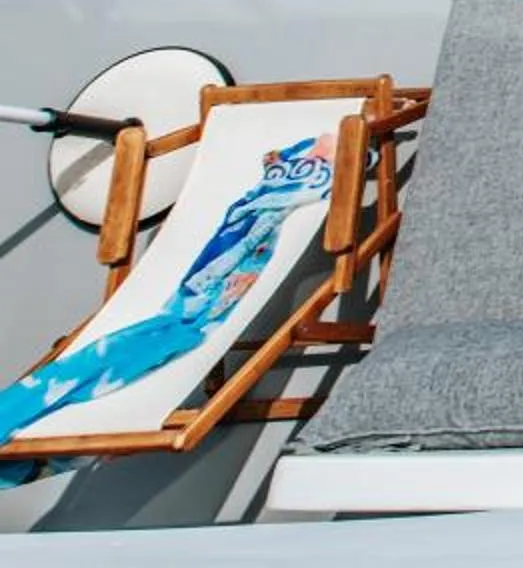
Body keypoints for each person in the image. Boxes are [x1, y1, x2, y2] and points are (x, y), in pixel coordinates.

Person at [0, 131, 338, 465]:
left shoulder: (301, 172)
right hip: (199, 289)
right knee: (152, 337)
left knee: (160, 334)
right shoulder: (293, 171)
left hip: (199, 298)